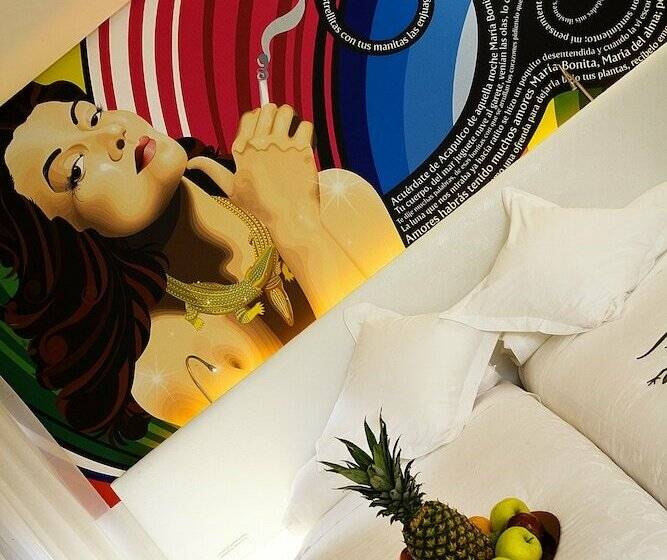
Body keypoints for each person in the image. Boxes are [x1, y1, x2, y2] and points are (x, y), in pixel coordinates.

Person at [0, 80, 402, 436]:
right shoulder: (169, 363)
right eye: (76, 169)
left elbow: (406, 350)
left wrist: (298, 222)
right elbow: (353, 425)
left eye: (93, 116)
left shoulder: (337, 198)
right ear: (71, 237)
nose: (113, 133)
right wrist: (293, 226)